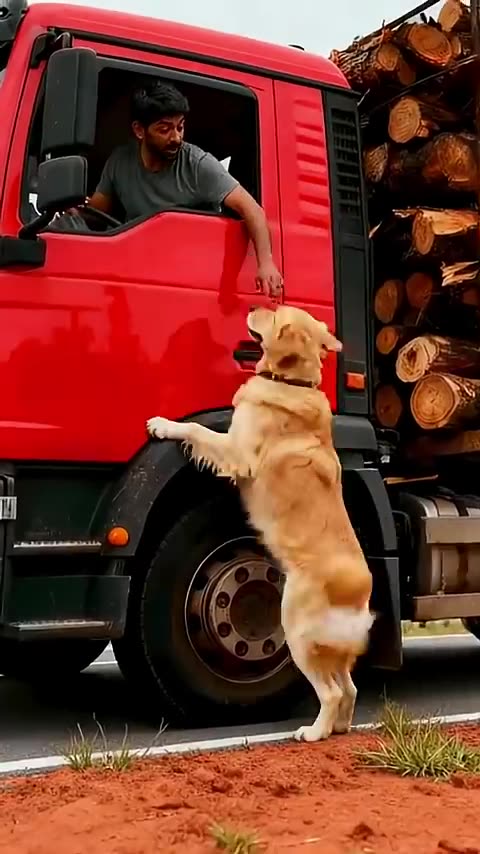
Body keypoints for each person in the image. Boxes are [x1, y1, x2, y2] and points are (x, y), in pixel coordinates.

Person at [88, 81, 283, 299]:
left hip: (189, 278)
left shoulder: (198, 164)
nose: (176, 137)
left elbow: (252, 210)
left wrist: (266, 264)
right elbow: (95, 213)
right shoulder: (119, 162)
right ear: (139, 130)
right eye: (165, 129)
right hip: (135, 272)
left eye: (180, 127)